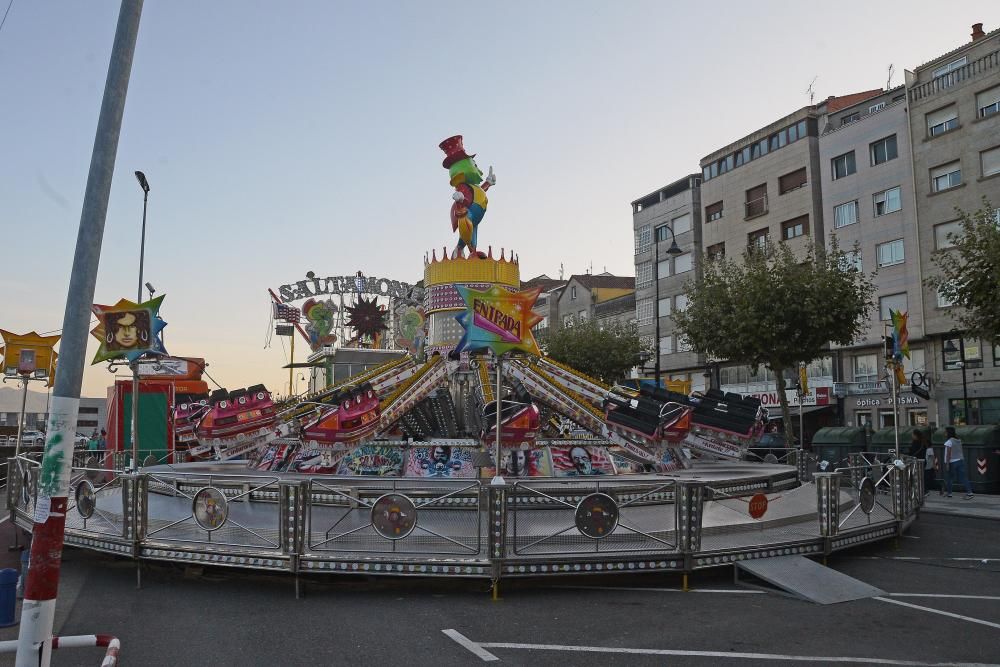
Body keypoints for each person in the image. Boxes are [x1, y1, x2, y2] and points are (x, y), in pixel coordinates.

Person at [943, 426, 973, 499]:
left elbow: (948, 453)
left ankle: (949, 493)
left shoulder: (949, 441)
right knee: (963, 478)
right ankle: (970, 493)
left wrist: (947, 464)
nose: (944, 433)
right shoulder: (958, 440)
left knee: (950, 478)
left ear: (948, 433)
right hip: (960, 460)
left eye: (945, 432)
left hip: (952, 462)